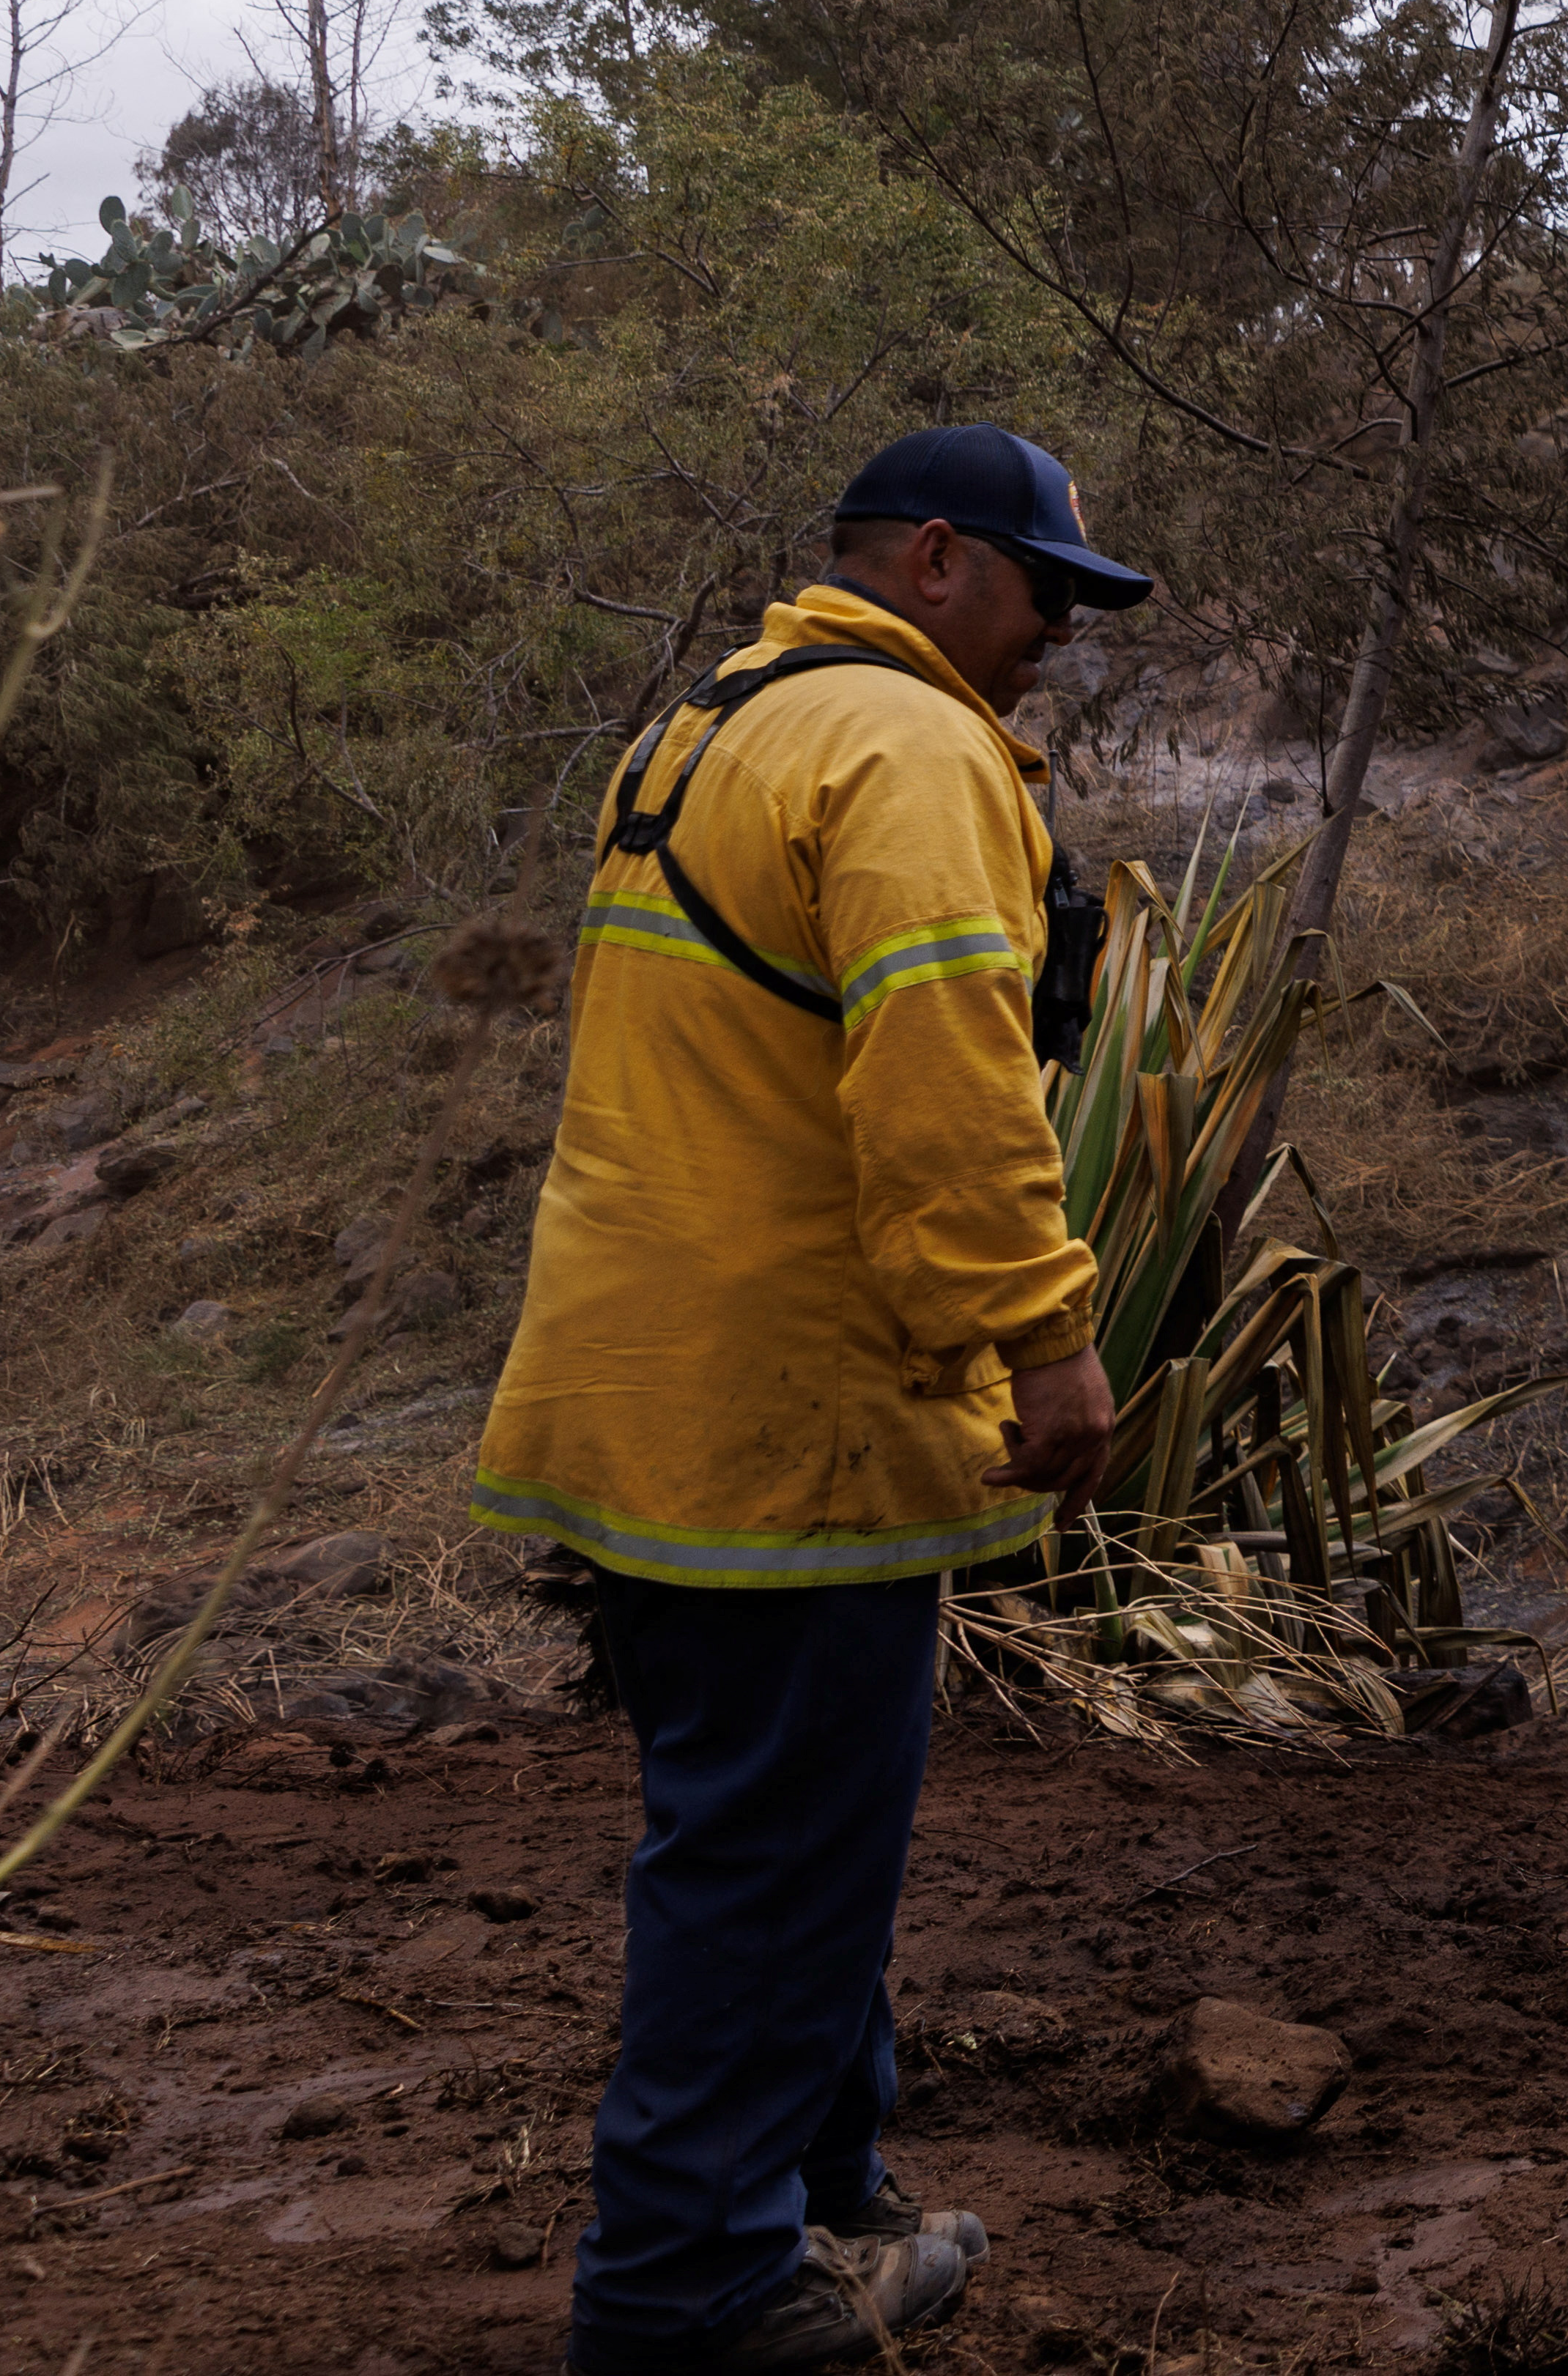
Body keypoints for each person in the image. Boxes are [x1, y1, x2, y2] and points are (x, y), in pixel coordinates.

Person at [471, 423, 1153, 2376]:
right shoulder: (909, 746)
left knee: (800, 1831)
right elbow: (947, 1076)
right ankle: (692, 2296)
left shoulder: (716, 722)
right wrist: (1043, 1330)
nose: (1058, 640)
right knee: (770, 1858)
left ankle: (824, 2215)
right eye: (1046, 594)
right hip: (791, 1412)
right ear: (940, 561)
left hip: (651, 1379)